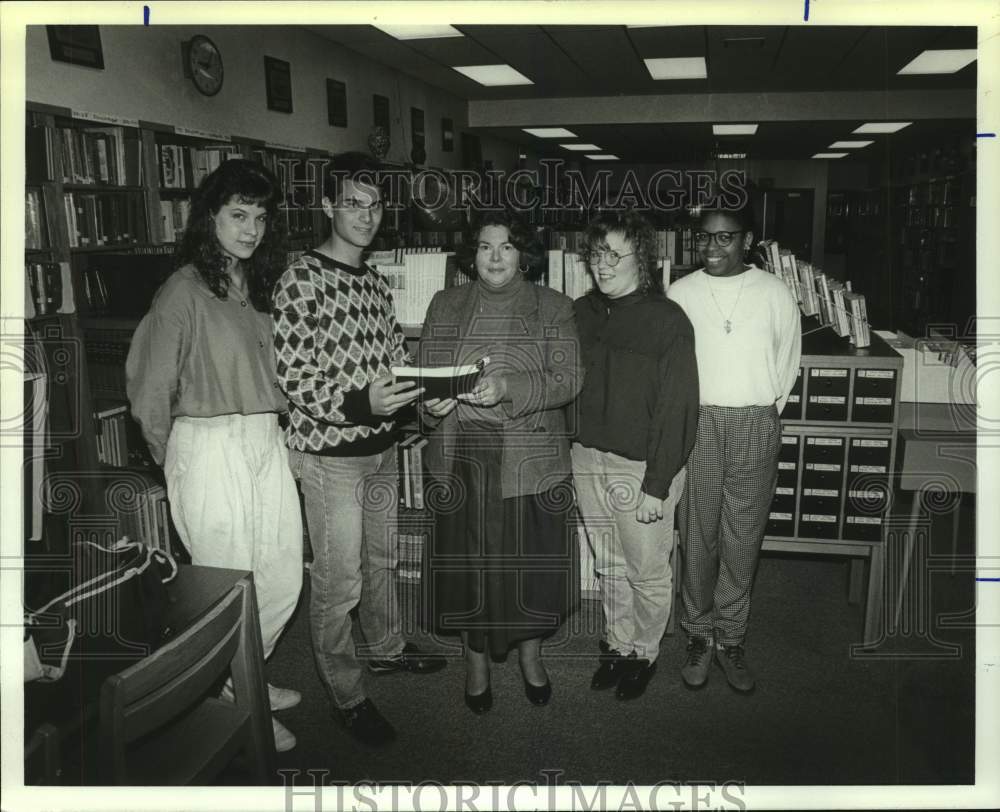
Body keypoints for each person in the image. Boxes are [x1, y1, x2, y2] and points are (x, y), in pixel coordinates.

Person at [126, 158, 303, 753]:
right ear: (210, 217)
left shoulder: (258, 284)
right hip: (207, 445)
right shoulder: (182, 290)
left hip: (263, 439)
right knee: (229, 585)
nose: (250, 228)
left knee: (280, 577)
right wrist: (176, 459)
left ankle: (242, 674)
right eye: (237, 215)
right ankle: (240, 695)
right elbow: (150, 388)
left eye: (259, 216)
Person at [272, 152, 445, 748]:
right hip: (330, 458)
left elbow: (392, 360)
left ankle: (389, 650)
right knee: (338, 583)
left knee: (383, 563)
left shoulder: (372, 280)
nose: (367, 216)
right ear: (327, 206)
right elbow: (294, 380)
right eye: (353, 203)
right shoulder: (300, 278)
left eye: (375, 205)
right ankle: (347, 696)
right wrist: (360, 404)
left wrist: (425, 400)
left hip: (380, 450)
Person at [419, 210, 583, 714]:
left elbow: (568, 378)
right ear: (473, 253)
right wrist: (429, 402)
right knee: (468, 569)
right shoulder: (445, 304)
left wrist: (508, 387)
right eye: (486, 246)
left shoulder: (554, 307)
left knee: (526, 568)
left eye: (506, 246)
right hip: (462, 455)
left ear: (523, 254)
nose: (494, 257)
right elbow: (425, 375)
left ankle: (532, 656)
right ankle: (475, 662)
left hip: (527, 458)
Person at [667, 200, 801, 693]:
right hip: (699, 422)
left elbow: (788, 362)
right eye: (705, 236)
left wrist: (761, 413)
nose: (712, 246)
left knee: (743, 537)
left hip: (755, 421)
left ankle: (732, 638)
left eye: (725, 237)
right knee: (698, 531)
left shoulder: (774, 291)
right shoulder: (680, 292)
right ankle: (699, 636)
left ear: (746, 240)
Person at [571, 210, 699, 701]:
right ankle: (618, 644)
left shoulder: (667, 320)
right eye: (595, 255)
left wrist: (658, 484)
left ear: (641, 259)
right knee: (607, 564)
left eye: (613, 255)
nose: (602, 266)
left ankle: (644, 653)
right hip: (587, 458)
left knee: (646, 568)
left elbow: (679, 405)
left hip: (642, 468)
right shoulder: (581, 313)